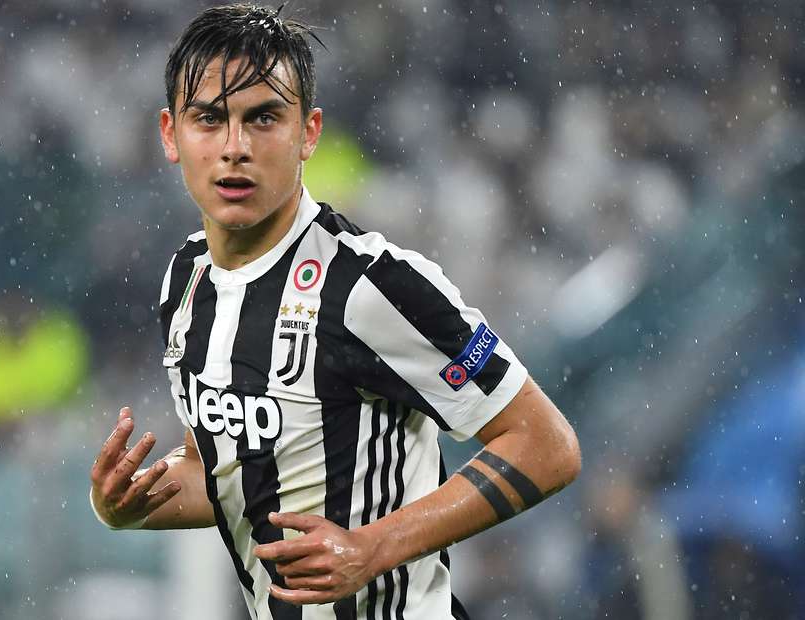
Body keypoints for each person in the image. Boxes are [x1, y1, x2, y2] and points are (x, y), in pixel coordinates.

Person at [89, 4, 581, 619]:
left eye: (263, 117)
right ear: (170, 134)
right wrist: (128, 504)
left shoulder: (371, 285)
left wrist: (373, 549)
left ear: (309, 133)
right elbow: (227, 474)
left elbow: (546, 444)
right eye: (209, 119)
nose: (235, 148)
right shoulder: (187, 281)